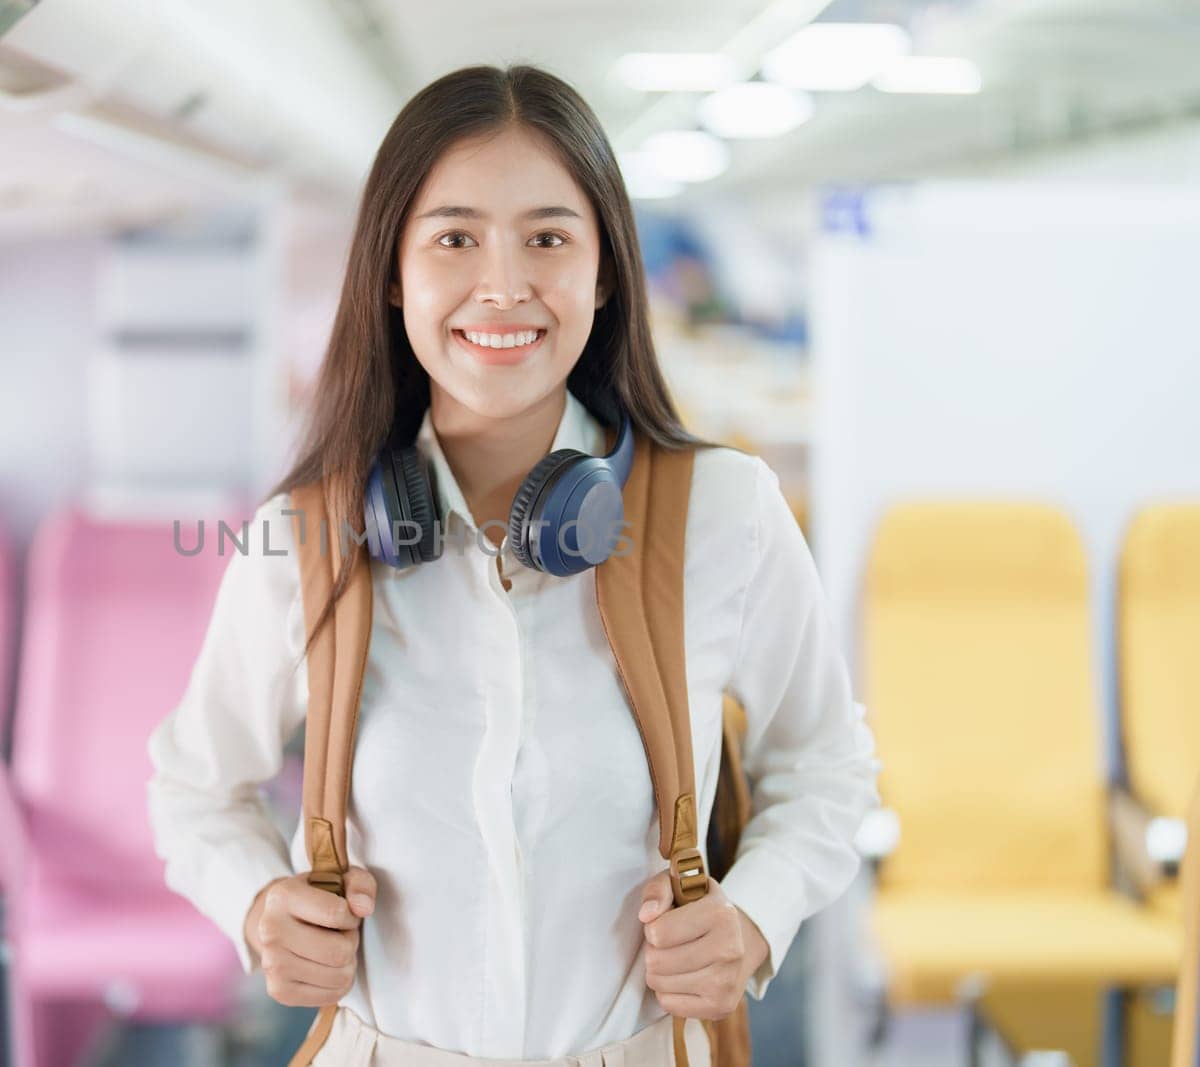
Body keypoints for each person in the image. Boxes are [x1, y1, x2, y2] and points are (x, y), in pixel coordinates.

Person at [147, 64, 879, 1066]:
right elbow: (194, 783)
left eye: (547, 237)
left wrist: (753, 914)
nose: (503, 284)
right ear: (394, 272)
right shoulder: (306, 535)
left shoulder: (723, 511)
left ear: (604, 270)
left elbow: (825, 763)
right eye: (454, 237)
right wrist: (255, 901)